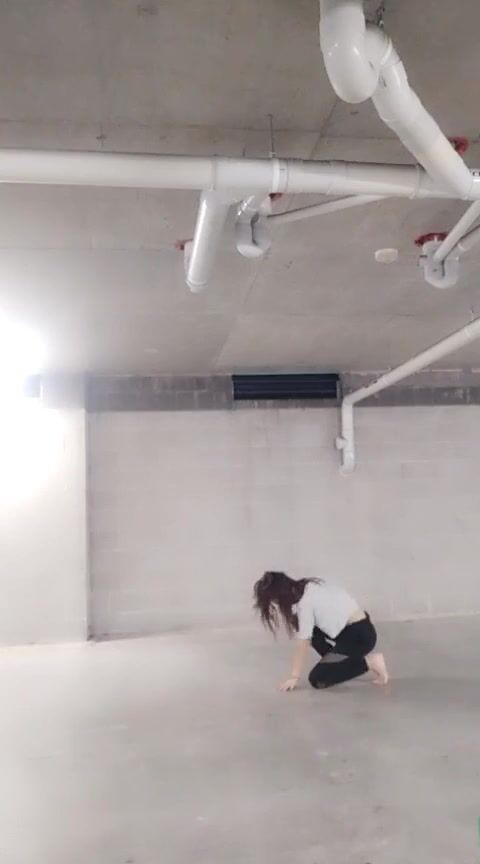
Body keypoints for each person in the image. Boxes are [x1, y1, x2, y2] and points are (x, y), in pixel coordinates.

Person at [253, 571, 388, 691]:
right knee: (312, 633)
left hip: (359, 638)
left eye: (275, 601)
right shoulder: (309, 585)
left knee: (317, 680)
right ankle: (339, 664)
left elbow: (302, 643)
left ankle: (370, 662)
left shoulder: (305, 604)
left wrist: (294, 676)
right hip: (359, 628)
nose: (276, 605)